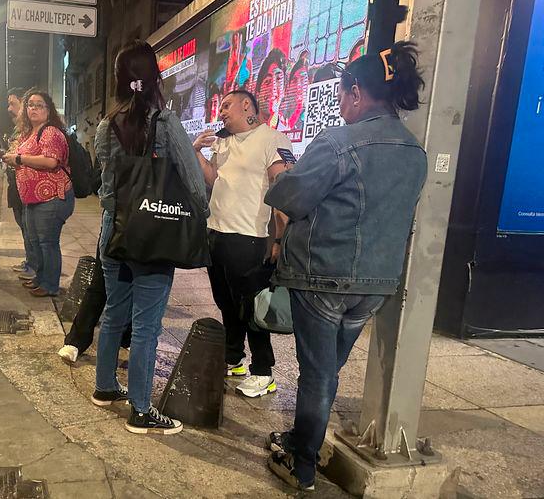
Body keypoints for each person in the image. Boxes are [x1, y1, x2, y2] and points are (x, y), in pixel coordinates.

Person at [263, 42, 428, 490]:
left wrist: (279, 174)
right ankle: (302, 437)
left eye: (340, 92)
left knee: (316, 374)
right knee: (327, 369)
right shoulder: (415, 151)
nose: (338, 101)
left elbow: (290, 197)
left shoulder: (337, 141)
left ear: (356, 93)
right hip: (373, 285)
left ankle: (302, 463)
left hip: (323, 276)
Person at [92, 40, 208, 434]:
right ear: (155, 76)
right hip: (152, 231)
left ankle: (105, 386)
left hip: (114, 230)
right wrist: (200, 217)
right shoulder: (165, 122)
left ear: (120, 81)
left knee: (113, 313)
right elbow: (194, 181)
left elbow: (103, 182)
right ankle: (141, 410)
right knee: (147, 326)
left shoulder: (106, 125)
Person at [192, 89, 291, 398]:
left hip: (250, 236)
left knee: (252, 307)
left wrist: (279, 239)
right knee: (225, 302)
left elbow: (283, 188)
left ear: (247, 105)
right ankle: (233, 356)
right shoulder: (223, 141)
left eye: (226, 105)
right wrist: (196, 152)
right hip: (216, 231)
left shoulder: (272, 139)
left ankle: (263, 372)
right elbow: (212, 178)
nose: (221, 111)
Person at [4, 90, 74, 298]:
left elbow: (51, 161)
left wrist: (18, 159)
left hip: (51, 197)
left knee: (47, 243)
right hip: (33, 199)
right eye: (30, 105)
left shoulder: (50, 132)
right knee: (35, 241)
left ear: (49, 110)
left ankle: (50, 284)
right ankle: (41, 278)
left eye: (39, 105)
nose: (33, 108)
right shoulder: (30, 133)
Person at [3, 88, 35, 280]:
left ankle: (34, 266)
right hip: (16, 184)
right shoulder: (20, 128)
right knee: (23, 226)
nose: (9, 108)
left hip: (25, 185)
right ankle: (30, 262)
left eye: (12, 103)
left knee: (29, 228)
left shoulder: (30, 129)